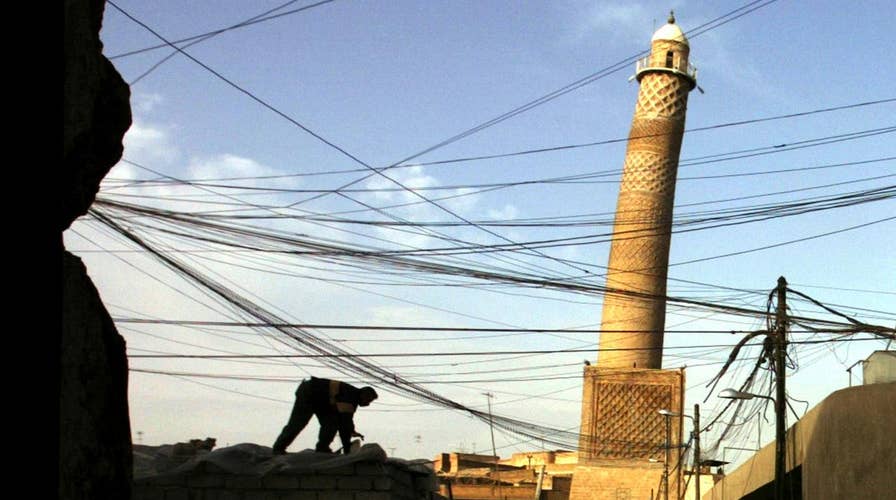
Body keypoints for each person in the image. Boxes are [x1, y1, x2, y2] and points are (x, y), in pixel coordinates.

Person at [272, 377, 378, 455]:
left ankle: (322, 448)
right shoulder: (350, 397)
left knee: (330, 423)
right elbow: (344, 425)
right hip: (310, 392)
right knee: (298, 423)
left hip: (324, 402)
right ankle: (278, 448)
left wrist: (351, 432)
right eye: (369, 400)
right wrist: (347, 450)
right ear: (364, 395)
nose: (368, 404)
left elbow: (345, 422)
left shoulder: (351, 398)